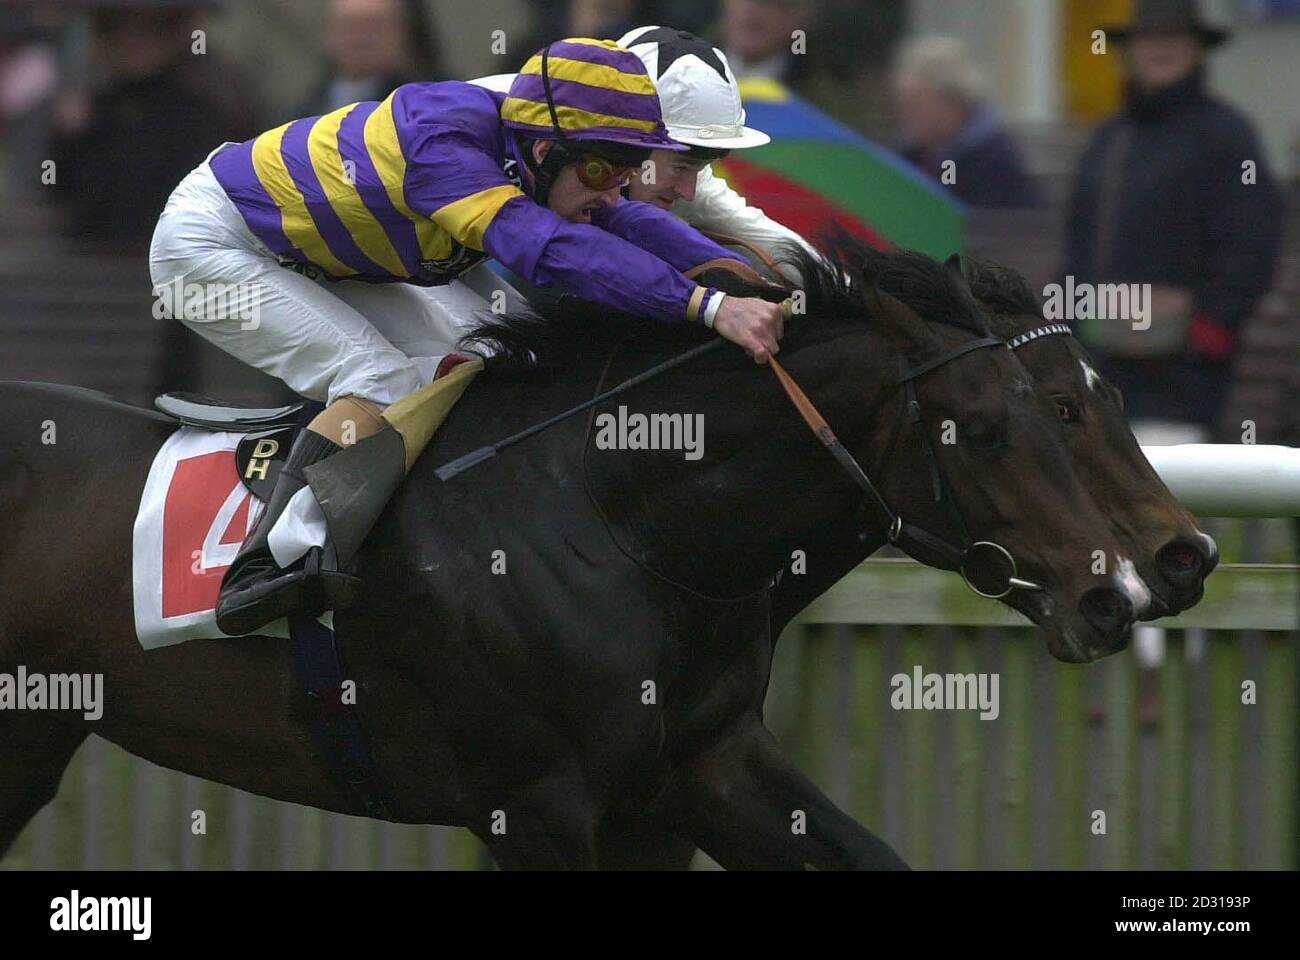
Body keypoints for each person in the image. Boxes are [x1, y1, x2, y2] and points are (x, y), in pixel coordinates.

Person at [148, 38, 785, 635]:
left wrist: (752, 285)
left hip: (319, 250)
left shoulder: (552, 143)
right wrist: (705, 307)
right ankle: (268, 563)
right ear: (544, 152)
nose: (613, 190)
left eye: (626, 171)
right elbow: (548, 252)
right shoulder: (445, 145)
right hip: (212, 247)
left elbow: (629, 223)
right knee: (381, 379)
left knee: (478, 359)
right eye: (601, 171)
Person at [1062, 0, 1282, 440]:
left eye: (1174, 38)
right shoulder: (1109, 139)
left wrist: (1208, 327)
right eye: (1148, 38)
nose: (1159, 48)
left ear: (1197, 49)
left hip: (1184, 374)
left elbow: (1251, 242)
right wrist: (1071, 324)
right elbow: (1079, 242)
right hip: (1101, 361)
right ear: (1130, 50)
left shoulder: (1228, 137)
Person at [474, 27, 819, 278]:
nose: (690, 190)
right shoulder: (489, 133)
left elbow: (765, 240)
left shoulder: (661, 161)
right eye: (683, 166)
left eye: (699, 168)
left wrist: (857, 300)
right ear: (628, 142)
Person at [892, 36, 1041, 208]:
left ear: (953, 103)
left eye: (915, 104)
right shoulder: (910, 158)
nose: (905, 114)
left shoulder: (993, 163)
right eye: (903, 104)